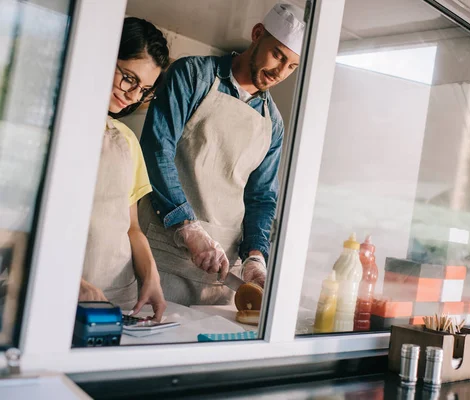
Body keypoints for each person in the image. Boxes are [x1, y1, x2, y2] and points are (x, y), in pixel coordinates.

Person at [138, 4, 305, 306]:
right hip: (163, 254)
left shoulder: (274, 124)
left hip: (220, 272)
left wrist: (255, 255)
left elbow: (261, 197)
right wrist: (188, 228)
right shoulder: (193, 75)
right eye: (278, 55)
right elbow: (156, 150)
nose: (280, 72)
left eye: (292, 66)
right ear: (257, 34)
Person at [79, 17, 170, 321]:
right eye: (129, 78)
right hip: (58, 290)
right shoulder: (55, 127)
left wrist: (151, 278)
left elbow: (131, 227)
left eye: (144, 89)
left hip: (116, 299)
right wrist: (70, 283)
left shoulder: (126, 140)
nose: (133, 96)